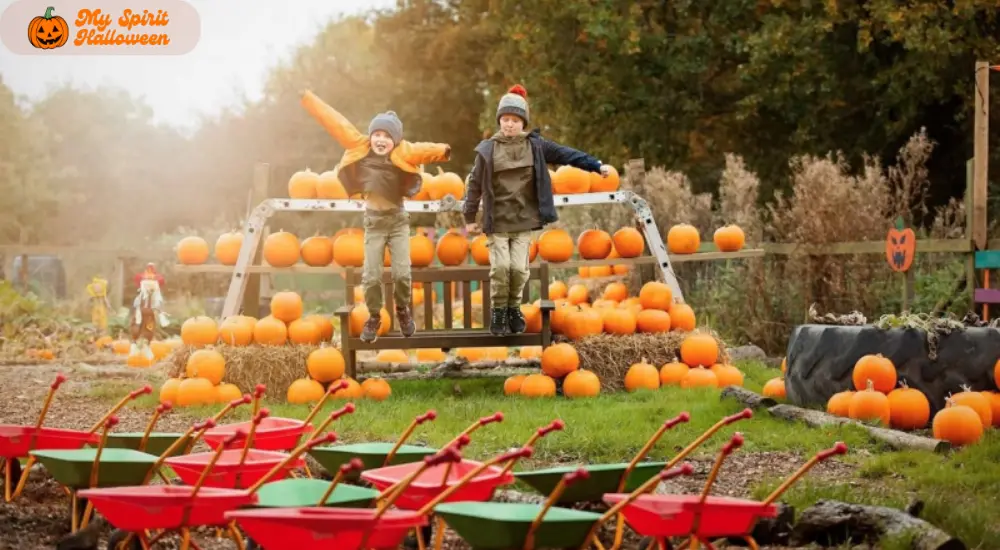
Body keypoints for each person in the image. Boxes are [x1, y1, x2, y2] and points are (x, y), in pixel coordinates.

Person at [301, 90, 451, 343]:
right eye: (377, 134)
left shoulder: (404, 152)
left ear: (395, 140)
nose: (381, 140)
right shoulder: (359, 146)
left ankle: (403, 311)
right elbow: (336, 122)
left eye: (386, 136)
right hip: (374, 223)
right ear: (370, 136)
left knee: (402, 274)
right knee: (371, 276)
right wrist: (308, 99)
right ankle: (373, 316)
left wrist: (443, 151)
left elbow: (423, 150)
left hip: (398, 222)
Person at [464, 85, 611, 335]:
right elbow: (475, 184)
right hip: (497, 221)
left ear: (523, 122)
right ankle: (499, 311)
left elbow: (567, 155)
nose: (510, 124)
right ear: (500, 121)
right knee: (501, 269)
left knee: (519, 269)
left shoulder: (536, 146)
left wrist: (595, 165)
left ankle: (513, 308)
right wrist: (469, 216)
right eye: (505, 119)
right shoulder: (488, 150)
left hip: (523, 220)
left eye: (515, 119)